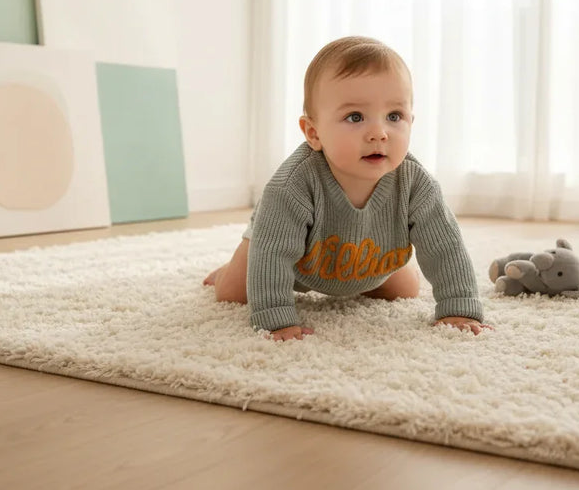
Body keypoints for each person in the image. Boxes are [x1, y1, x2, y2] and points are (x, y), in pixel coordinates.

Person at [204, 36, 488, 341]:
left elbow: (445, 248)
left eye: (394, 116)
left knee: (405, 289)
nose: (379, 133)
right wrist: (276, 320)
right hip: (291, 258)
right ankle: (228, 269)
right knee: (233, 292)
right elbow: (273, 254)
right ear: (314, 133)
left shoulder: (417, 184)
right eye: (355, 117)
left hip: (366, 260)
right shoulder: (291, 187)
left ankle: (371, 275)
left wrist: (459, 308)